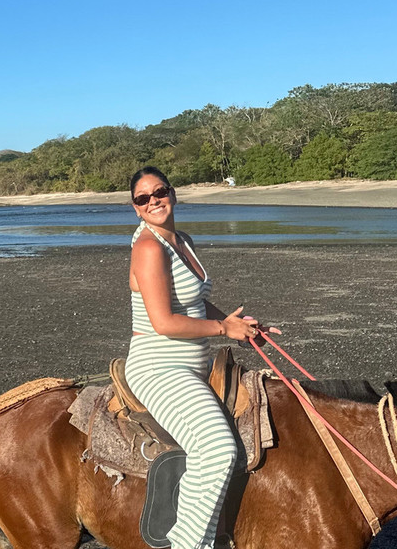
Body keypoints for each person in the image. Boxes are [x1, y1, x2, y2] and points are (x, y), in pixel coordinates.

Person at [124, 167, 260, 549]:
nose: (153, 201)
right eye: (142, 198)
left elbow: (194, 304)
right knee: (216, 449)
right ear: (135, 208)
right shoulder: (148, 247)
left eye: (159, 191)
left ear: (173, 193)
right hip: (160, 367)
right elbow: (165, 322)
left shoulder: (182, 240)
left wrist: (235, 322)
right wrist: (223, 332)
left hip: (192, 365)